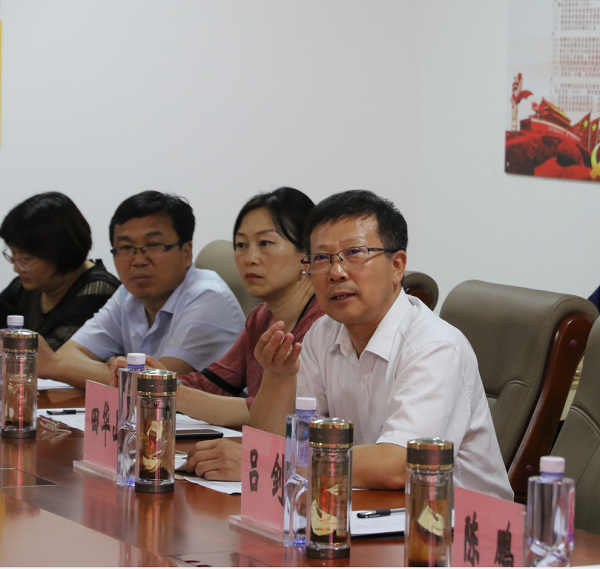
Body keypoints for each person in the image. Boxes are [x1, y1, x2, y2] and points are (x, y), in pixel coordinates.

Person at [251, 190, 514, 500]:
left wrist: (283, 461)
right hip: (370, 508)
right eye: (321, 258)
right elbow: (277, 440)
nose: (336, 272)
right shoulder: (322, 333)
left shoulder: (435, 347)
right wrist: (277, 377)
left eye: (355, 253)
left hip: (464, 521)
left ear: (397, 266)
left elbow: (398, 464)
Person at [176, 187, 324, 481]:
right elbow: (210, 384)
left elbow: (281, 414)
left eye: (265, 243)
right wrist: (155, 379)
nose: (249, 258)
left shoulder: (324, 322)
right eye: (241, 245)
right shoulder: (261, 318)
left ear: (307, 254)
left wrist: (166, 393)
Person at [37, 190, 245, 389]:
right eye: (126, 248)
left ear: (186, 253)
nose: (138, 260)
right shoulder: (128, 294)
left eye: (153, 245)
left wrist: (56, 366)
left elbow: (155, 385)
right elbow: (69, 354)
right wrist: (116, 371)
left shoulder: (208, 297)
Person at [0, 192, 120, 350]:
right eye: (13, 255)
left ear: (61, 251)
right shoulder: (25, 286)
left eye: (26, 259)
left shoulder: (98, 291)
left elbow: (57, 355)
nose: (16, 268)